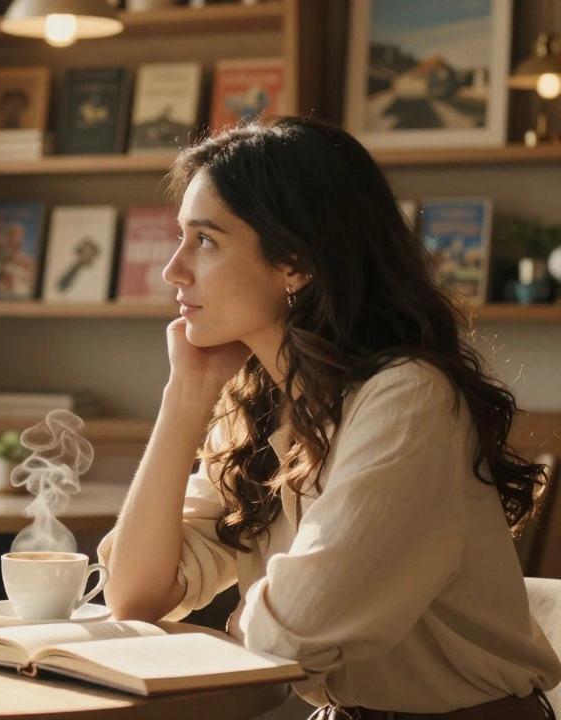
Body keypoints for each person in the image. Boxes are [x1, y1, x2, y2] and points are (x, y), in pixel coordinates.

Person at [99, 117, 561, 719]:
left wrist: (264, 616)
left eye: (205, 240)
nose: (173, 270)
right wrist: (186, 392)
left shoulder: (408, 400)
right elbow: (134, 594)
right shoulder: (261, 404)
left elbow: (296, 631)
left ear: (294, 263)